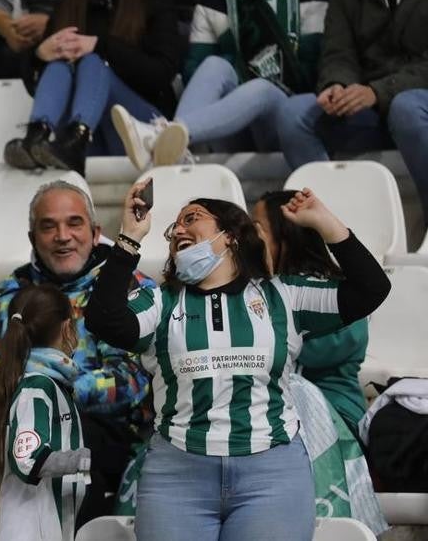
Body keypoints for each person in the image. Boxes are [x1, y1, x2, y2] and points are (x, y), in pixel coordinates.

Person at [86, 182, 391, 540]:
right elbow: (103, 318)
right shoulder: (160, 302)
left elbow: (372, 289)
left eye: (192, 218)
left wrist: (326, 224)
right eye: (173, 230)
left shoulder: (283, 296)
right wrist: (130, 239)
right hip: (177, 476)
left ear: (230, 235)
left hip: (272, 475)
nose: (178, 230)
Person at [0, 180, 153, 525]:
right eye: (49, 226)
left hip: (102, 430)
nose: (62, 235)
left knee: (64, 441)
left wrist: (56, 391)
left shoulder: (128, 287)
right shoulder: (7, 295)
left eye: (74, 223)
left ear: (94, 232)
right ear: (32, 238)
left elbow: (132, 382)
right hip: (16, 423)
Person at [112, 0, 328, 169]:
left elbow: (309, 74)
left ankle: (162, 136)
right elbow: (195, 73)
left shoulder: (313, 1)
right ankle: (175, 149)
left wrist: (246, 74)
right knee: (216, 66)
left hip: (290, 120)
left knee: (262, 87)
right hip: (229, 124)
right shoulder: (214, 6)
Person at [277, 0, 428, 215]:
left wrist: (378, 91)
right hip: (370, 110)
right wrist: (336, 85)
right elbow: (337, 51)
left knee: (406, 107)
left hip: (416, 105)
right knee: (292, 115)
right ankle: (335, 227)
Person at [4, 0, 181, 175]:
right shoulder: (68, 5)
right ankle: (36, 138)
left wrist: (100, 45)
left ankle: (76, 138)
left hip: (142, 129)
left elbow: (162, 75)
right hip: (84, 138)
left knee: (91, 61)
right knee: (58, 65)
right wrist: (39, 55)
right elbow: (38, 85)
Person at [0, 285, 89, 541]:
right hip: (28, 526)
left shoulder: (44, 383)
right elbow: (26, 459)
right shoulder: (37, 387)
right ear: (67, 328)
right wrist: (80, 461)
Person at [253, 190, 368, 436]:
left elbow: (313, 351)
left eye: (258, 229)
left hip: (333, 414)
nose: (250, 238)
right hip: (275, 410)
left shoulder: (334, 291)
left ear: (286, 238)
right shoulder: (258, 288)